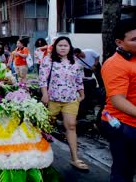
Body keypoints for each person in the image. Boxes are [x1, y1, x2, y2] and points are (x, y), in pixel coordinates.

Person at [39, 36, 88, 171]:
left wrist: (82, 93)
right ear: (55, 47)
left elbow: (79, 79)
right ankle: (38, 153)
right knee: (46, 126)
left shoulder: (75, 61)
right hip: (53, 99)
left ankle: (75, 158)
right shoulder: (48, 60)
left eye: (66, 45)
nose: (63, 48)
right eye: (60, 45)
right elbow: (42, 79)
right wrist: (45, 94)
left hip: (71, 99)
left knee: (71, 126)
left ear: (70, 47)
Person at [100, 18, 136, 182]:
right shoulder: (115, 64)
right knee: (123, 171)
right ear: (119, 42)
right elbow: (118, 100)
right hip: (123, 125)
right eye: (134, 39)